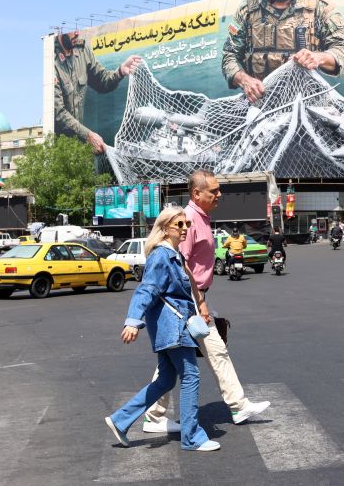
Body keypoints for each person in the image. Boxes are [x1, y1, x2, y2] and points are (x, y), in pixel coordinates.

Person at [143, 169, 270, 433]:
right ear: (196, 193)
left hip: (195, 295)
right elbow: (180, 263)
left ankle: (157, 415)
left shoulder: (201, 218)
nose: (219, 195)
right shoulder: (187, 219)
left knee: (182, 356)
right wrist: (198, 303)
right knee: (198, 352)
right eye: (214, 191)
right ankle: (235, 405)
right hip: (188, 296)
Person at [105, 205, 221, 452]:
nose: (184, 229)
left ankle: (120, 420)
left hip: (170, 328)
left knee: (166, 380)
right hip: (174, 328)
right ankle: (192, 438)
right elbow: (147, 289)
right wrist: (133, 321)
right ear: (165, 228)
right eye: (179, 225)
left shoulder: (174, 255)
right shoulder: (161, 256)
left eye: (187, 225)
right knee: (191, 377)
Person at [221, 0, 344, 103]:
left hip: (308, 101)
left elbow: (343, 50)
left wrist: (319, 57)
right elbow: (230, 55)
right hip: (260, 101)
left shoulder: (319, 6)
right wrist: (244, 80)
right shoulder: (247, 9)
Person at [54, 30, 142, 154]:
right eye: (73, 30)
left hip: (78, 146)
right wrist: (88, 135)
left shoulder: (83, 51)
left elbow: (102, 82)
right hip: (57, 148)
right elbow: (58, 113)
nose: (77, 33)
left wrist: (120, 72)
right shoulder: (51, 61)